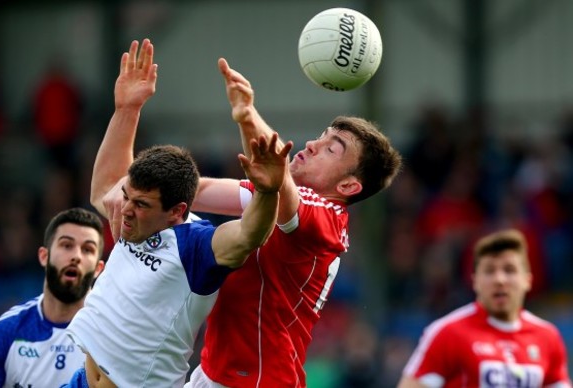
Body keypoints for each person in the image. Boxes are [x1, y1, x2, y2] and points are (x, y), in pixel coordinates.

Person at [100, 39, 402, 387]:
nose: (312, 145)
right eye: (321, 136)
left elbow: (279, 189)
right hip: (215, 373)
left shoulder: (329, 219)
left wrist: (248, 116)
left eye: (331, 149)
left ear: (349, 186)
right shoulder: (279, 199)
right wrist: (129, 170)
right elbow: (195, 190)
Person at [64, 38, 291, 387]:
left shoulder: (195, 248)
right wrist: (127, 110)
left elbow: (250, 233)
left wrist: (268, 189)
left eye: (141, 205)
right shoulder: (130, 218)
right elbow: (104, 188)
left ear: (177, 211)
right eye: (127, 196)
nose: (125, 210)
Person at [398, 228, 572, 388]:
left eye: (509, 270)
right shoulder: (447, 333)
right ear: (475, 281)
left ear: (527, 280)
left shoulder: (548, 338)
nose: (499, 280)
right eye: (489, 271)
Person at [0, 207, 106, 388]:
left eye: (87, 249)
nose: (76, 256)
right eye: (67, 245)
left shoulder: (110, 333)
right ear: (43, 256)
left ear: (98, 269)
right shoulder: (4, 333)